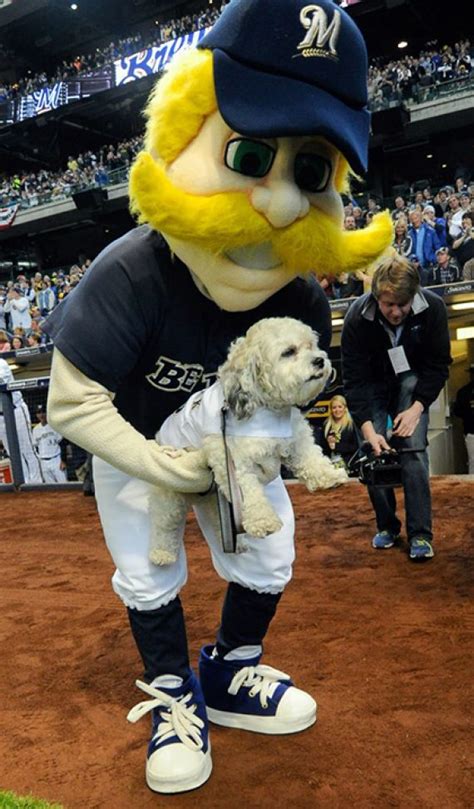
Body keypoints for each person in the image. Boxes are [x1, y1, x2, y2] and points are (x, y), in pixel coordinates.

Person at [45, 0, 392, 795]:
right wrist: (167, 470)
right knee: (147, 561)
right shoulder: (130, 272)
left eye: (309, 172)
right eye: (248, 153)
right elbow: (71, 402)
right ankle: (173, 692)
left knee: (269, 551)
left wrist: (282, 457)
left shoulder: (300, 299)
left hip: (235, 444)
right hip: (135, 441)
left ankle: (231, 671)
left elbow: (289, 397)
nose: (278, 204)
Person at [341, 254, 451, 562]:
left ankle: (420, 534)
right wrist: (367, 431)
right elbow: (354, 379)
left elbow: (438, 365)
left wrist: (417, 408)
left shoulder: (433, 309)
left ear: (413, 296)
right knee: (372, 450)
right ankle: (387, 526)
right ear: (376, 296)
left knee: (413, 449)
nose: (396, 312)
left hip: (412, 383)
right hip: (372, 385)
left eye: (402, 304)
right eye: (389, 304)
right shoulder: (355, 317)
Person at [0, 358, 42, 484]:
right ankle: (23, 483)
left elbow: (1, 381)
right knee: (12, 452)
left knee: (27, 449)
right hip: (0, 416)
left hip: (15, 410)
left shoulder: (1, 363)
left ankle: (37, 483)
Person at [318, 394, 358, 470]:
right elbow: (322, 448)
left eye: (340, 407)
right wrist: (328, 444)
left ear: (345, 408)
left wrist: (336, 446)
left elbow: (356, 447)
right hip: (330, 464)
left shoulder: (351, 424)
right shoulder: (326, 425)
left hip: (348, 465)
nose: (337, 410)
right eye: (334, 407)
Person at [32, 404, 67, 482]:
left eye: (43, 412)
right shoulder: (35, 430)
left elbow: (62, 443)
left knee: (64, 487)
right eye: (39, 413)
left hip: (56, 460)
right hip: (43, 462)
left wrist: (63, 460)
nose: (41, 415)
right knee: (51, 490)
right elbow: (35, 447)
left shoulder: (54, 426)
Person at [452, 364, 474, 474]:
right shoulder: (464, 392)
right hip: (471, 432)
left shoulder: (464, 391)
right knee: (473, 462)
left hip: (470, 431)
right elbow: (458, 411)